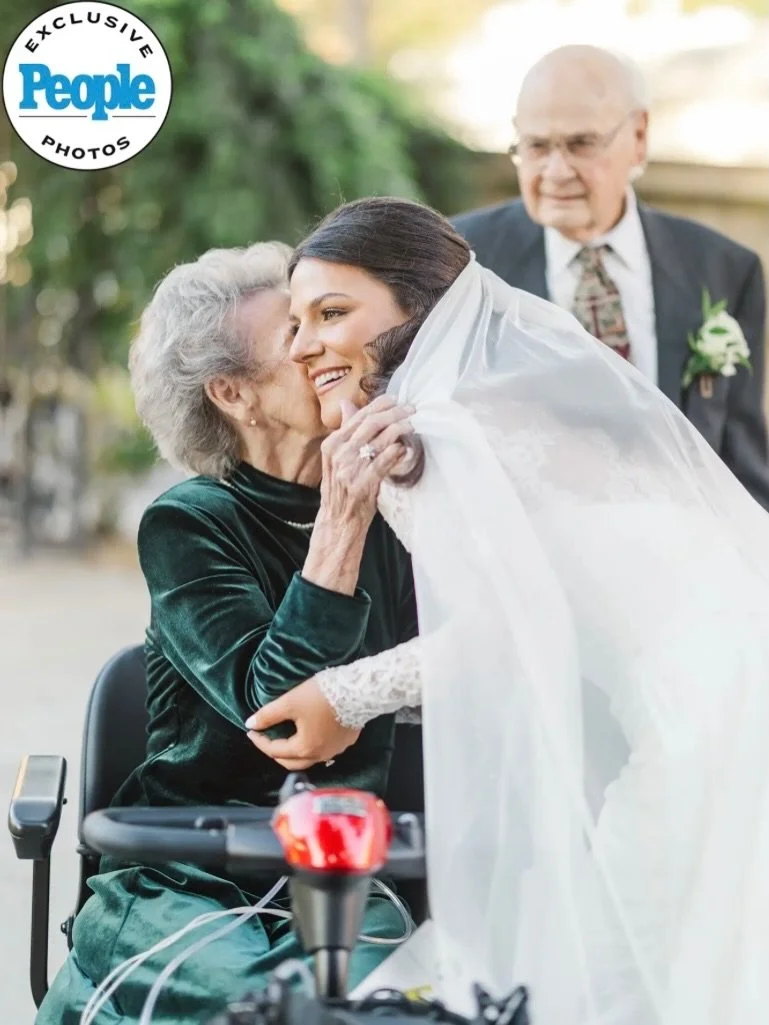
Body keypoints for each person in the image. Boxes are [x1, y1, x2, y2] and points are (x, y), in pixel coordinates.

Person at [249, 196, 769, 1024]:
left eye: (332, 312)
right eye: (297, 320)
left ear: (419, 308)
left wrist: (341, 695)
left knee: (615, 975)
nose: (303, 342)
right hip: (729, 687)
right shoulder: (496, 403)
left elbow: (511, 632)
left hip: (701, 722)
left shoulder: (434, 434)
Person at [35, 243, 418, 1025]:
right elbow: (276, 706)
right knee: (263, 1005)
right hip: (181, 872)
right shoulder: (188, 522)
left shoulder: (399, 505)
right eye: (292, 335)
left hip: (347, 869)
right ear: (232, 392)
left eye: (324, 321)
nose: (320, 346)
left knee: (367, 1000)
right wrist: (341, 520)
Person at [451, 44, 769, 510]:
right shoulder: (461, 260)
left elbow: (742, 462)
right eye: (536, 147)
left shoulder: (724, 268)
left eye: (581, 144)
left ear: (639, 137)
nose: (556, 172)